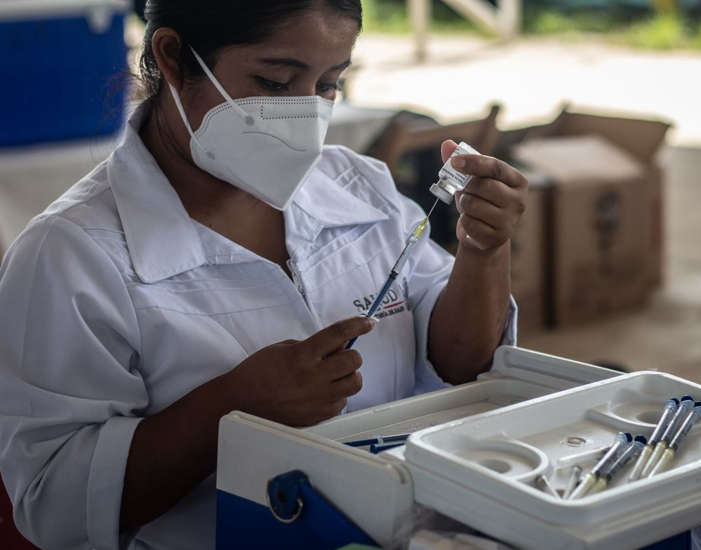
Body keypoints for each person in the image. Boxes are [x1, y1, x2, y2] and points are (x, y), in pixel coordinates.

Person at [0, 1, 527, 548]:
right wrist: (229, 411)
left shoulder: (360, 188)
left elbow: (463, 365)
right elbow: (54, 507)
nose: (305, 114)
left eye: (328, 84)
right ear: (175, 58)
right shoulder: (70, 255)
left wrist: (483, 252)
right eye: (275, 81)